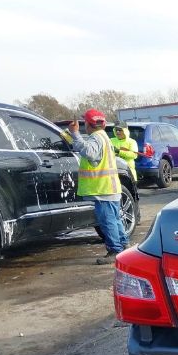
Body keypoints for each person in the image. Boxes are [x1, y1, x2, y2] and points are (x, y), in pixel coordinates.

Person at [67, 109, 128, 265]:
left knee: (108, 221)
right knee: (114, 220)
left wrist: (75, 134)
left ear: (88, 124)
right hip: (110, 187)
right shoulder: (104, 136)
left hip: (103, 189)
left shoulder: (96, 137)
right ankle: (123, 247)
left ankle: (115, 250)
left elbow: (90, 153)